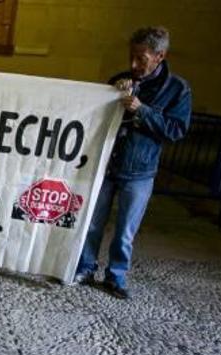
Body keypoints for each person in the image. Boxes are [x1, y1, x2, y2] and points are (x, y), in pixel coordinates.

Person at [74, 26, 191, 299]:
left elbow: (176, 130)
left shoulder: (177, 89)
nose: (133, 64)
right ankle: (85, 267)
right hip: (107, 165)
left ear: (159, 56)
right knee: (92, 223)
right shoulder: (120, 79)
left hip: (140, 172)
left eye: (141, 58)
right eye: (131, 57)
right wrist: (111, 98)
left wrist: (142, 110)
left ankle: (116, 276)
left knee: (126, 230)